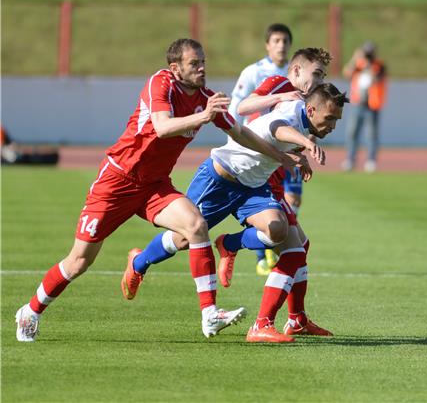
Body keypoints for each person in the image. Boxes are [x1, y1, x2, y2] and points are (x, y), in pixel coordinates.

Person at [15, 38, 299, 343]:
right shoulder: (160, 83)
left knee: (196, 226)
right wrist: (205, 115)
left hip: (155, 185)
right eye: (194, 63)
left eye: (203, 61)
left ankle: (209, 314)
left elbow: (240, 133)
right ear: (175, 68)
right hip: (117, 180)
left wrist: (282, 156)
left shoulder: (205, 97)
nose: (202, 68)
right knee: (79, 261)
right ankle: (30, 311)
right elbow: (163, 126)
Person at [122, 83, 348, 343]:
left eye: (336, 120)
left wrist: (300, 152)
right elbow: (277, 128)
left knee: (279, 231)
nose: (332, 125)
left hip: (253, 187)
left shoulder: (303, 113)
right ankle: (138, 262)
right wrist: (305, 142)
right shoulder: (291, 118)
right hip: (219, 179)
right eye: (329, 118)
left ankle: (230, 247)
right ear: (311, 109)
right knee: (184, 238)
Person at [236, 47, 330, 275]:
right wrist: (280, 96)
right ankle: (231, 245)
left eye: (323, 76)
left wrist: (301, 152)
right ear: (297, 70)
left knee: (296, 250)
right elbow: (243, 107)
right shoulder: (280, 83)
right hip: (258, 174)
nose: (319, 80)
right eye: (316, 74)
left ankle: (292, 311)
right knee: (294, 250)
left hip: (275, 172)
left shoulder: (309, 101)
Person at [227, 23, 294, 275]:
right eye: (276, 40)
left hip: (286, 146)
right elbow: (237, 107)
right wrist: (234, 136)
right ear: (267, 45)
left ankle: (271, 246)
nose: (281, 45)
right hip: (258, 148)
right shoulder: (254, 72)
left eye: (285, 41)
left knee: (293, 200)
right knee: (266, 202)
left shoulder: (294, 73)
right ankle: (262, 254)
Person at [341, 41, 388, 173]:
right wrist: (355, 59)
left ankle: (371, 160)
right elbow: (346, 73)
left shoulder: (379, 66)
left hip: (372, 105)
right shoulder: (358, 64)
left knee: (372, 134)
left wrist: (368, 66)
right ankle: (350, 159)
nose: (368, 56)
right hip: (358, 103)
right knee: (352, 133)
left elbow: (375, 79)